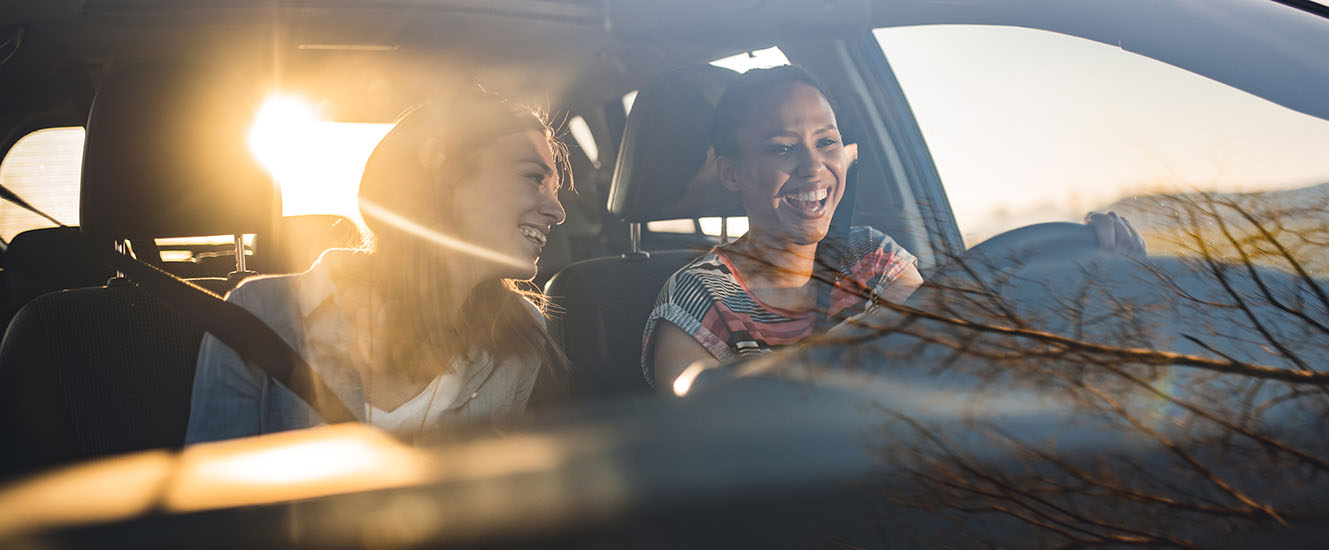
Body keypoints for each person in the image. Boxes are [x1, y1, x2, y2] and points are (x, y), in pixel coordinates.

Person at [643, 66, 1144, 390]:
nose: (814, 168)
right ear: (731, 172)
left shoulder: (873, 259)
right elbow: (699, 447)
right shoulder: (699, 299)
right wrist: (872, 339)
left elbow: (960, 349)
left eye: (827, 142)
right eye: (782, 148)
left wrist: (1100, 290)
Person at [186, 87, 571, 444]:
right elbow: (216, 492)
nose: (558, 211)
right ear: (447, 181)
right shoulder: (260, 313)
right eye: (534, 178)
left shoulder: (521, 338)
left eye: (555, 191)